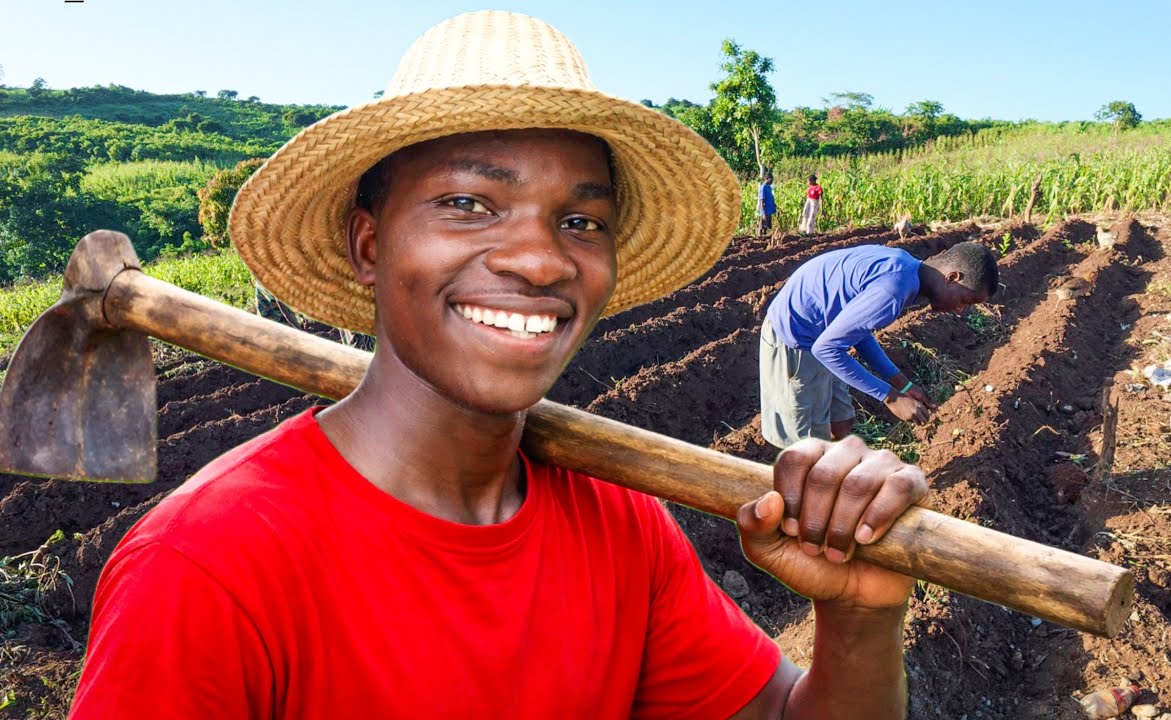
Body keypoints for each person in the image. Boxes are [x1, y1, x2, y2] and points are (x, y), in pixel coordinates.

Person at [70, 12, 929, 719]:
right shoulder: (207, 571)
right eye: (469, 204)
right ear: (370, 245)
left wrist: (857, 617)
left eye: (581, 221)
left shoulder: (622, 528)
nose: (541, 259)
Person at [760, 241, 998, 449]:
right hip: (796, 337)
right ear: (952, 277)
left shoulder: (907, 266)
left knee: (842, 422)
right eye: (965, 301)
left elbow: (858, 331)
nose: (959, 309)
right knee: (807, 443)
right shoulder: (893, 291)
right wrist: (891, 397)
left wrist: (902, 384)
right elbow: (826, 349)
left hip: (824, 332)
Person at [756, 171, 776, 237]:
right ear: (768, 179)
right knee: (762, 224)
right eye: (771, 180)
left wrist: (774, 204)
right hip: (764, 209)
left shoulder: (769, 187)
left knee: (766, 225)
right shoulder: (763, 187)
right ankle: (760, 237)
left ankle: (764, 236)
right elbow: (762, 200)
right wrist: (763, 213)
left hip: (769, 209)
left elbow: (770, 197)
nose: (772, 181)